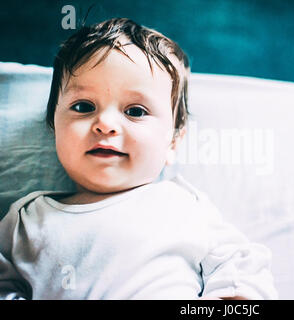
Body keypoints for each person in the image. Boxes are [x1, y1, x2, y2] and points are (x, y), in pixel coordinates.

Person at [0, 18, 278, 300]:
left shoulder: (183, 206)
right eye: (83, 107)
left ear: (172, 141)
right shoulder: (25, 221)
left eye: (135, 111)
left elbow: (242, 270)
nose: (105, 124)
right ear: (54, 127)